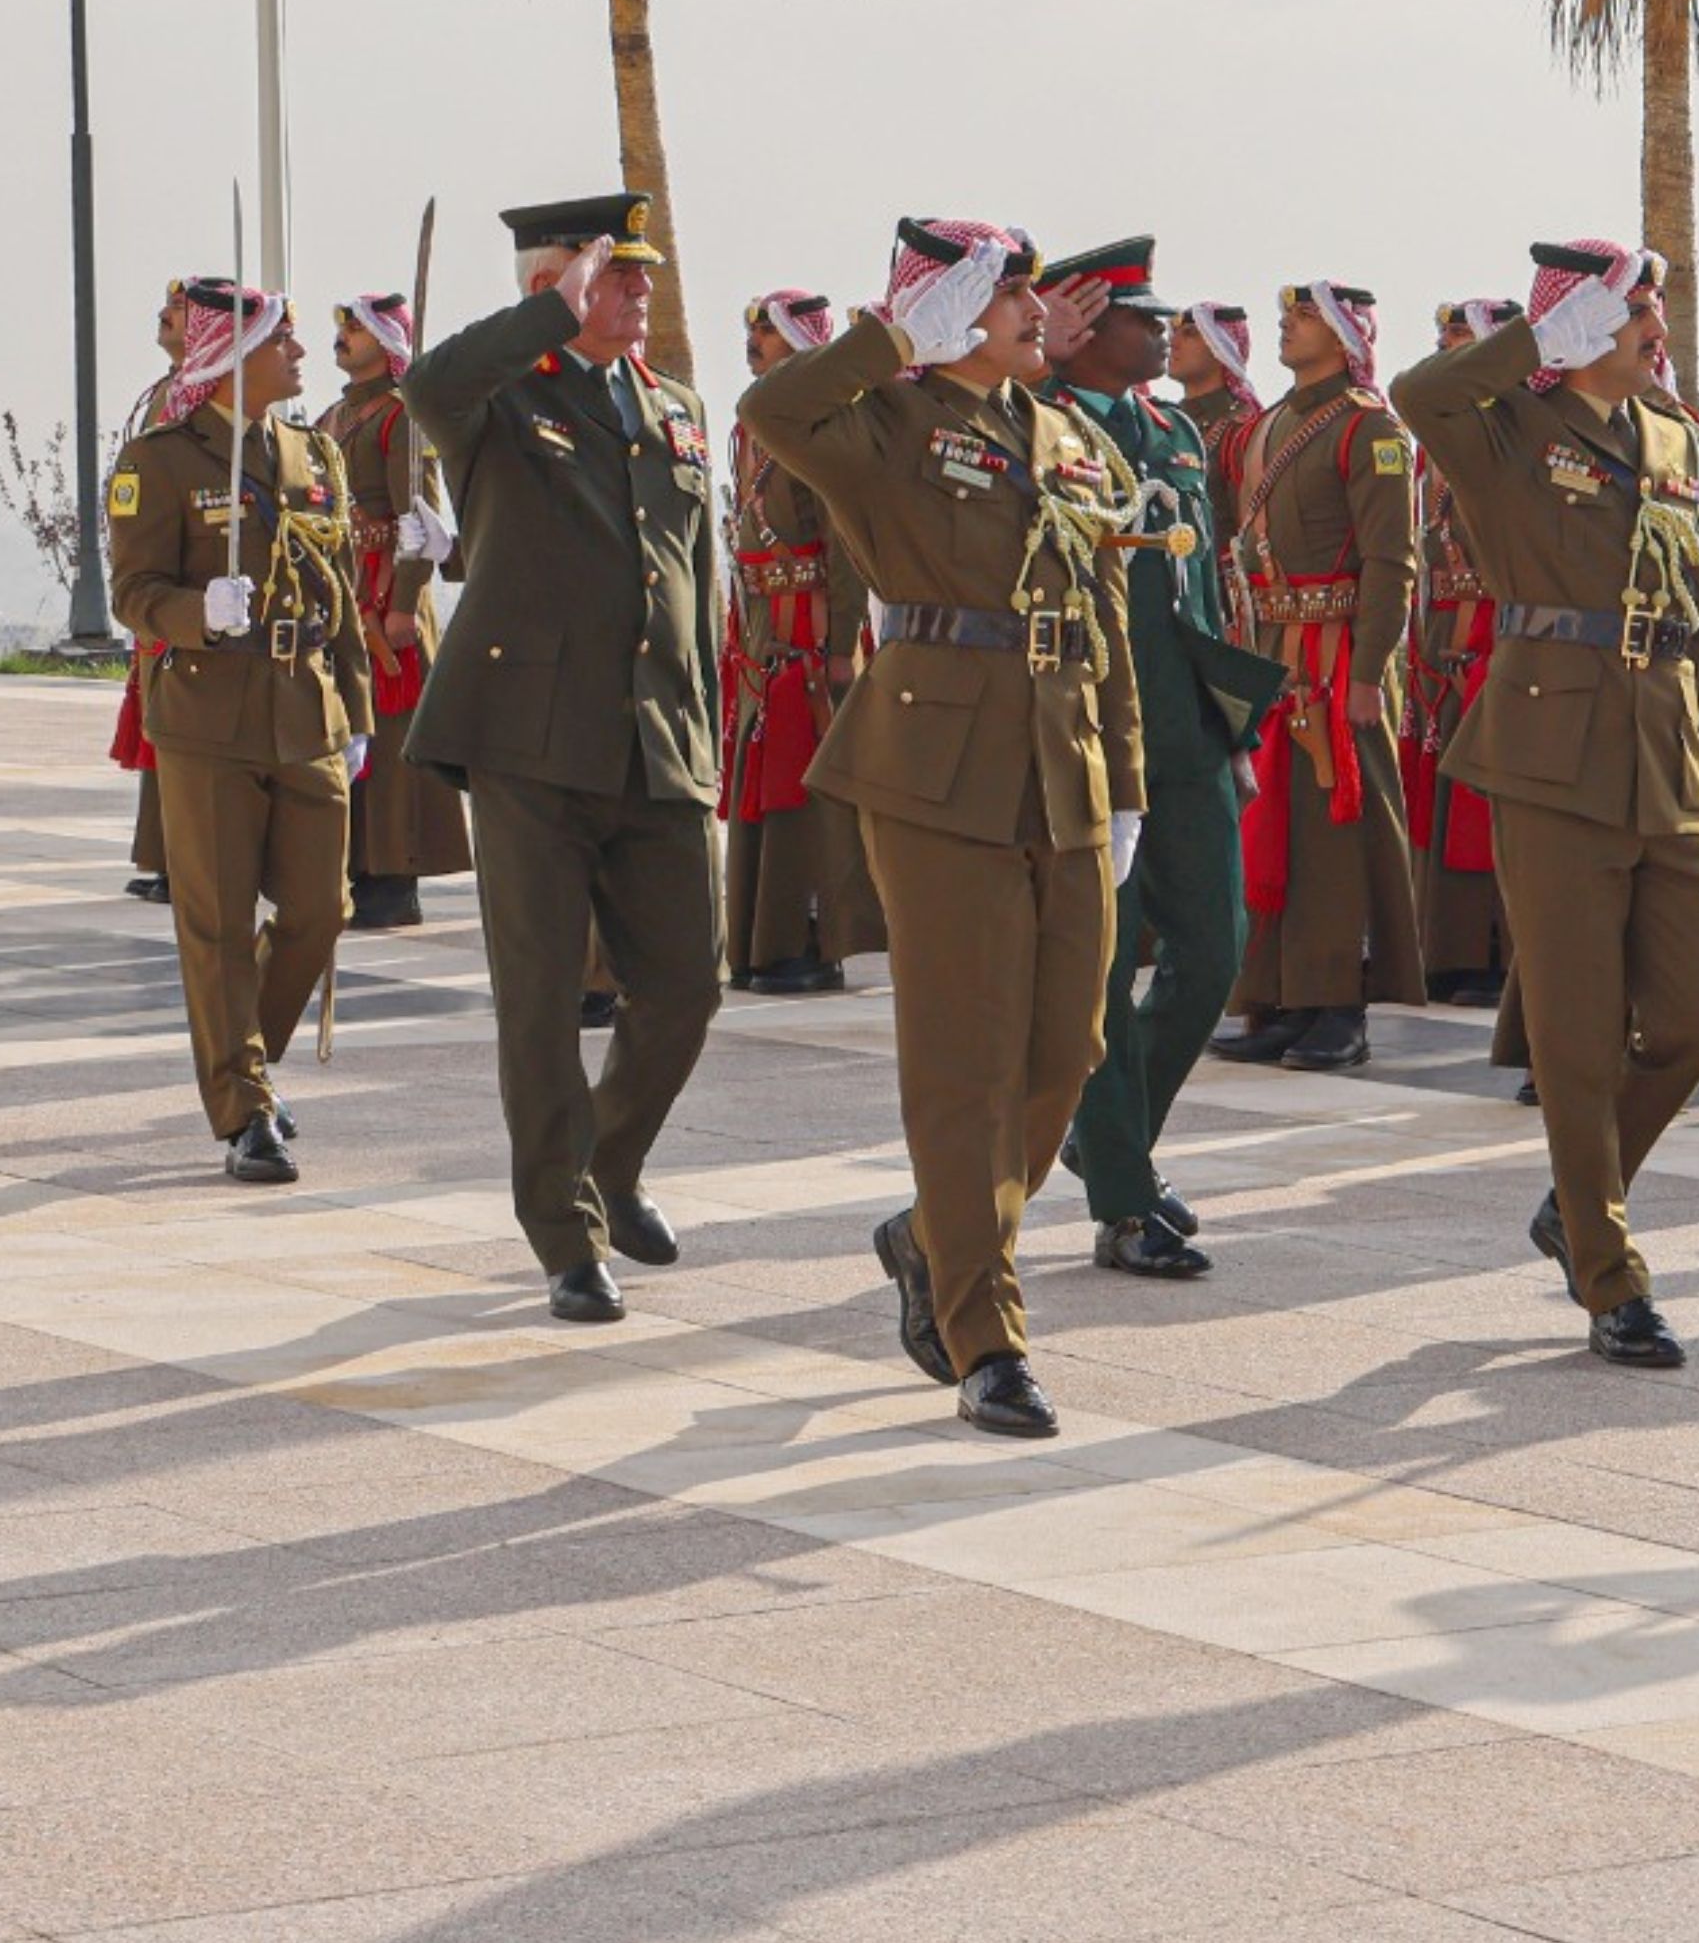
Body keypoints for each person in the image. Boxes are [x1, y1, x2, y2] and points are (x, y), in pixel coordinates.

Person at [740, 217, 1145, 1439]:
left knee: (1065, 1050)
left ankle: (931, 1236)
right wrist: (886, 336)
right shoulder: (884, 423)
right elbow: (773, 416)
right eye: (1007, 293)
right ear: (945, 309)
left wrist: (1124, 777)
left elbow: (1107, 606)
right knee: (965, 1061)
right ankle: (986, 1333)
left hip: (1062, 759)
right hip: (937, 762)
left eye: (1028, 292)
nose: (1037, 312)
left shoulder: (1070, 435)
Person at [1394, 240, 1699, 1368]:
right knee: (1579, 1039)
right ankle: (1609, 1273)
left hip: (1669, 745)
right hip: (1551, 752)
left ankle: (1580, 1202)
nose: (1657, 330)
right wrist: (1543, 342)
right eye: (1634, 312)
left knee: (1693, 1025)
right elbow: (1417, 392)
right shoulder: (1509, 433)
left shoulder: (1687, 442)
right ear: (1581, 326)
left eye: (1654, 312)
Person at [404, 198, 726, 1324]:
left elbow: (697, 587)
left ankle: (609, 1163)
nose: (640, 291)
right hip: (529, 746)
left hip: (655, 743)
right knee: (539, 999)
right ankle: (564, 1232)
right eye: (614, 274)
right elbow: (425, 386)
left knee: (689, 983)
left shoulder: (676, 408)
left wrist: (706, 736)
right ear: (555, 283)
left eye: (642, 274)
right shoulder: (500, 400)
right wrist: (545, 310)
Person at [1042, 238, 1271, 1279]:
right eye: (1142, 319)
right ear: (1086, 329)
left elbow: (1205, 589)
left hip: (1182, 730)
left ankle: (1106, 1138)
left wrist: (1235, 735)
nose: (1163, 336)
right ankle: (1127, 1199)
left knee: (1214, 950)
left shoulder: (1175, 433)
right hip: (1086, 734)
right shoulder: (1040, 424)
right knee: (1098, 970)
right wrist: (1038, 367)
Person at [108, 280, 369, 1187]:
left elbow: (337, 600)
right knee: (217, 925)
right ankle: (244, 1105)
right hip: (208, 715)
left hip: (306, 709)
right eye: (283, 342)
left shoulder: (313, 453)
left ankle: (246, 1059)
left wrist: (359, 715)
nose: (300, 355)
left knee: (320, 911)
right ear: (233, 357)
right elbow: (131, 594)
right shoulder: (164, 459)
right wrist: (194, 609)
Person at [1214, 281, 1424, 1071]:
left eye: (1302, 317)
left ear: (1341, 336)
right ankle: (1276, 998)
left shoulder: (1370, 429)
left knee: (1335, 838)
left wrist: (1369, 671)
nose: (1286, 325)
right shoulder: (1267, 425)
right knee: (1274, 831)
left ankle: (1340, 1006)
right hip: (1273, 650)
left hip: (1339, 658)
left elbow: (1392, 562)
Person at [721, 290, 884, 996]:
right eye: (751, 329)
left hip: (813, 636)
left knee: (807, 794)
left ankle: (811, 942)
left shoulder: (821, 425)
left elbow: (846, 546)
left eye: (769, 331)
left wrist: (841, 642)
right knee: (763, 790)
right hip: (764, 635)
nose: (754, 341)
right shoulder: (745, 429)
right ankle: (761, 943)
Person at [319, 294, 473, 929]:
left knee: (389, 742)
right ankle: (355, 865)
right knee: (348, 735)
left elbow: (420, 519)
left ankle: (394, 877)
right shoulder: (332, 416)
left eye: (355, 330)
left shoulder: (404, 418)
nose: (343, 338)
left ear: (385, 342)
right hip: (342, 599)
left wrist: (404, 604)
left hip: (388, 601)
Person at [1406, 297, 1518, 1008]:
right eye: (1443, 333)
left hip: (1494, 635)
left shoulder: (1502, 432)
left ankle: (1494, 956)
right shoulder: (1430, 447)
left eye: (1460, 336)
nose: (1447, 344)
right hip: (1443, 636)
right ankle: (1447, 951)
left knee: (1488, 805)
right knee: (1443, 801)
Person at [115, 293, 189, 905]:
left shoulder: (202, 394)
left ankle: (188, 860)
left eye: (182, 308)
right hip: (155, 578)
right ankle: (167, 859)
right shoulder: (169, 386)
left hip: (186, 586)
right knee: (160, 719)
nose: (164, 314)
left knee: (182, 720)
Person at [1170, 297, 1261, 455]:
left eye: (1190, 334)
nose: (1173, 342)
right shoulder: (1163, 423)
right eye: (1174, 333)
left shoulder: (1246, 429)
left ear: (1221, 349)